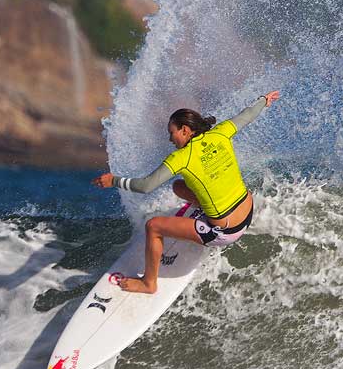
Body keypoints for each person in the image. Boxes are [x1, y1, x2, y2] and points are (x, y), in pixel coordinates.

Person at [92, 91, 281, 294]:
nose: (170, 138)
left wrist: (114, 180)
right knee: (178, 187)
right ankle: (204, 213)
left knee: (153, 226)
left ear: (184, 130)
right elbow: (247, 115)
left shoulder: (181, 157)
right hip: (248, 209)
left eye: (171, 132)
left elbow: (145, 186)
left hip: (226, 231)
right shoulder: (220, 132)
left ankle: (148, 283)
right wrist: (264, 100)